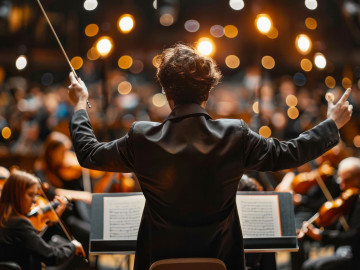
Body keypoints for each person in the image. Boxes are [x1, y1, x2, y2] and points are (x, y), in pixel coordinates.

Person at [67, 43, 352, 270]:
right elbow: (289, 153)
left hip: (158, 260)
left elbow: (89, 153)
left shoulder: (142, 137)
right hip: (222, 261)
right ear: (208, 93)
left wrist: (80, 103)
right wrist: (331, 124)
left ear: (166, 93)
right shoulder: (234, 134)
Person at [0, 170, 85, 270]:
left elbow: (36, 245)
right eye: (30, 194)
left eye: (36, 195)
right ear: (17, 195)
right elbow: (51, 256)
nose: (35, 200)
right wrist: (72, 247)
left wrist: (53, 220)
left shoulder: (7, 218)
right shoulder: (18, 223)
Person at [300, 157, 360, 270]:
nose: (342, 186)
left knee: (311, 266)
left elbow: (352, 236)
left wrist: (322, 236)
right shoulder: (350, 199)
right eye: (340, 180)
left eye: (347, 180)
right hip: (345, 249)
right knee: (309, 265)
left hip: (355, 254)